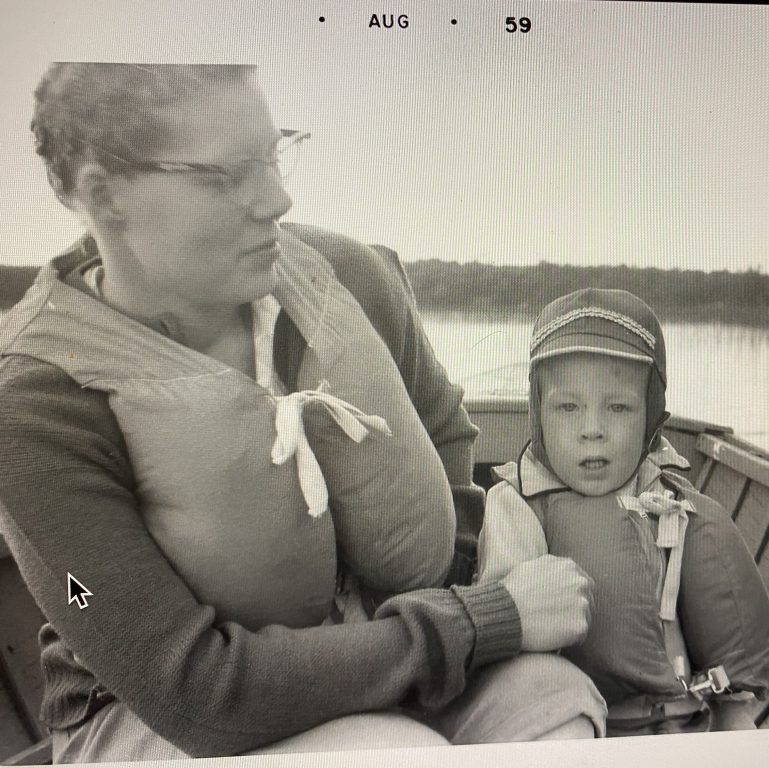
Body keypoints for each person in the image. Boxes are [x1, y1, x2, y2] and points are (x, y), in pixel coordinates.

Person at [0, 63, 605, 762]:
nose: (277, 199)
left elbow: (442, 427)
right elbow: (193, 695)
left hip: (389, 653)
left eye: (272, 154)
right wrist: (478, 626)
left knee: (553, 697)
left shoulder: (346, 276)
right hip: (151, 713)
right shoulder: (35, 403)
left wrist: (436, 599)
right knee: (382, 750)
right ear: (102, 195)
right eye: (224, 176)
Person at [476, 288, 769, 736]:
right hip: (576, 726)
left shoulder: (668, 499)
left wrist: (730, 709)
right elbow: (508, 637)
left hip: (686, 720)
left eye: (617, 407)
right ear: (538, 414)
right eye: (567, 407)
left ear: (651, 416)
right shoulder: (519, 505)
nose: (592, 430)